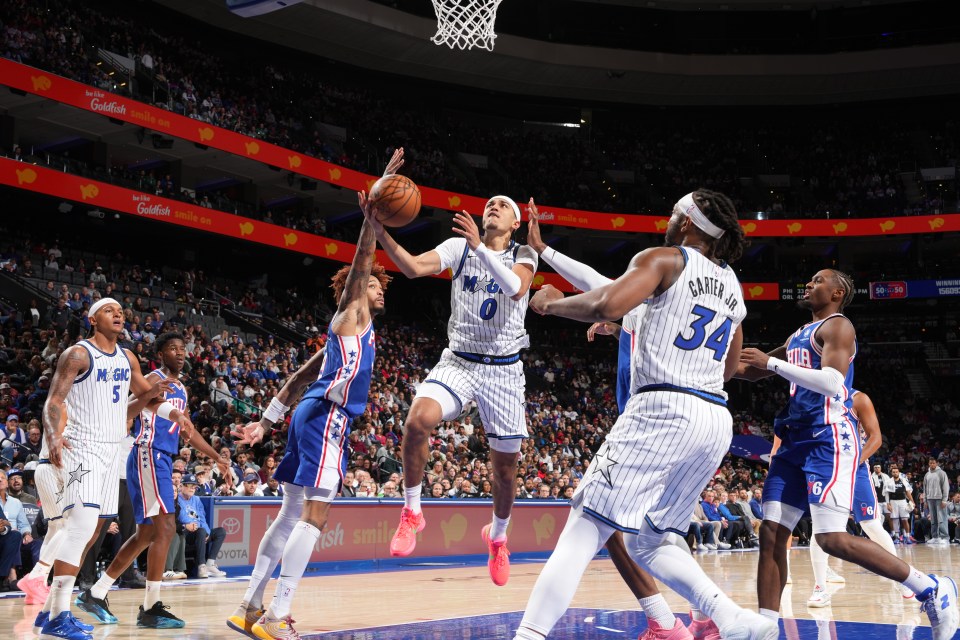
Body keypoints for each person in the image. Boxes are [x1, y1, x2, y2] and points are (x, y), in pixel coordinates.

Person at [514, 190, 778, 639]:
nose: (668, 221)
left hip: (663, 409)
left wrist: (548, 304)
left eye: (675, 214)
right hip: (714, 418)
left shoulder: (664, 258)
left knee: (584, 523)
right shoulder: (732, 284)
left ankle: (529, 635)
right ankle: (731, 619)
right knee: (650, 540)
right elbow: (731, 367)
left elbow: (605, 302)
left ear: (689, 224)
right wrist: (546, 252)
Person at [226, 155, 399, 640]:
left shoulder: (340, 339)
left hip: (307, 413)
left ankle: (248, 608)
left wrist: (265, 421)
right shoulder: (352, 313)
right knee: (315, 515)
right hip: (328, 418)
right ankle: (278, 616)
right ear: (351, 291)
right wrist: (373, 218)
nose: (378, 289)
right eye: (370, 283)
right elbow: (363, 261)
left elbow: (299, 378)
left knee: (288, 514)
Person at [525, 205, 716, 636]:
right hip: (694, 421)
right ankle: (703, 617)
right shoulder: (663, 307)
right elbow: (596, 282)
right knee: (656, 532)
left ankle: (670, 622)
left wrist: (546, 258)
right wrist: (545, 250)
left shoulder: (646, 299)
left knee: (602, 521)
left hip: (653, 422)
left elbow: (595, 285)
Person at [737, 269, 958, 637]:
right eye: (808, 279)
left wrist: (770, 363)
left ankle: (930, 589)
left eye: (818, 280)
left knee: (831, 539)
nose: (809, 284)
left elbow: (831, 382)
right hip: (794, 441)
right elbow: (751, 371)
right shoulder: (798, 335)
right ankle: (766, 627)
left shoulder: (839, 327)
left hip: (828, 438)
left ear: (837, 292)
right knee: (772, 533)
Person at [377, 191, 537, 589]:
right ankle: (413, 512)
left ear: (515, 222)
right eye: (490, 204)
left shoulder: (525, 254)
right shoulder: (458, 247)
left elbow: (517, 288)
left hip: (503, 372)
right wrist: (379, 229)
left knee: (505, 469)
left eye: (503, 205)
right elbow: (413, 267)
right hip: (460, 362)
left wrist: (480, 249)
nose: (493, 207)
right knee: (417, 421)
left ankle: (498, 537)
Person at [77, 332, 229, 629]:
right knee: (167, 527)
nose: (180, 353)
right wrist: (147, 395)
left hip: (161, 458)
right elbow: (127, 408)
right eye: (173, 348)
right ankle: (151, 607)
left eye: (183, 348)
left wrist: (218, 457)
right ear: (161, 354)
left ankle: (95, 592)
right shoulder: (151, 378)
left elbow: (189, 431)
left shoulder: (182, 388)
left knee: (146, 534)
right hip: (148, 453)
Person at [38, 298, 169, 640]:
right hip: (83, 449)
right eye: (110, 311)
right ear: (92, 319)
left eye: (121, 312)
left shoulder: (128, 358)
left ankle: (48, 608)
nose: (118, 315)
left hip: (114, 453)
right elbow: (54, 400)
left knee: (94, 531)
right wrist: (53, 434)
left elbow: (144, 400)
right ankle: (57, 616)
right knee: (79, 529)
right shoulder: (78, 354)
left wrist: (171, 411)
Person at [796, 390, 913, 606]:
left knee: (871, 525)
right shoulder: (814, 397)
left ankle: (901, 578)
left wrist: (852, 463)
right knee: (821, 528)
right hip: (825, 467)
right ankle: (820, 586)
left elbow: (875, 438)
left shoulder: (858, 398)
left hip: (855, 468)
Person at [177, 474, 226, 579]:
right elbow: (182, 517)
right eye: (189, 486)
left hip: (200, 531)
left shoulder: (196, 499)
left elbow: (202, 518)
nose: (192, 489)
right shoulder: (178, 499)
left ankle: (210, 564)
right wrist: (193, 525)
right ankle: (201, 566)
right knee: (201, 530)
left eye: (194, 487)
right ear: (182, 486)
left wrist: (208, 533)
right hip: (186, 532)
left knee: (220, 531)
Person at [0, 469, 32, 591]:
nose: (0, 480)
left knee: (15, 535)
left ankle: (5, 578)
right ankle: (12, 577)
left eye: (2, 477)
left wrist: (27, 533)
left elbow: (24, 524)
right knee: (14, 535)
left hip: (12, 536)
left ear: (6, 483)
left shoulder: (16, 503)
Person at [885, 465, 916, 544]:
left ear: (899, 472)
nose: (895, 473)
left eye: (896, 472)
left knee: (905, 519)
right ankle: (897, 537)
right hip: (893, 501)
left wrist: (912, 501)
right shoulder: (888, 482)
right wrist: (888, 504)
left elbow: (908, 492)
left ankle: (908, 537)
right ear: (891, 473)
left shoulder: (903, 481)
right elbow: (886, 494)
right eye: (893, 472)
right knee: (895, 520)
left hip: (902, 501)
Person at [923, 457, 951, 545]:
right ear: (929, 464)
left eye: (933, 463)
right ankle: (935, 537)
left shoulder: (942, 473)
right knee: (933, 519)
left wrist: (944, 500)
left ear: (937, 463)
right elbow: (924, 489)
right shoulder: (927, 474)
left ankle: (945, 537)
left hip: (940, 499)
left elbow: (946, 487)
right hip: (930, 499)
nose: (932, 465)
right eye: (930, 463)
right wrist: (925, 500)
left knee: (942, 518)